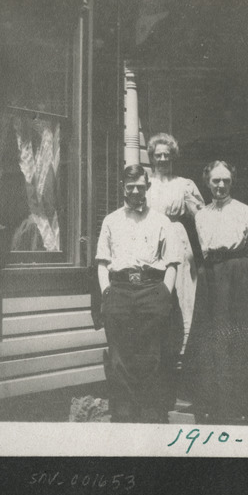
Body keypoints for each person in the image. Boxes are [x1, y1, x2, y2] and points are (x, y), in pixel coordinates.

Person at [95, 162, 191, 422]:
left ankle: (152, 413)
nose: (135, 192)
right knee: (120, 355)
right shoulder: (111, 220)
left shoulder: (161, 221)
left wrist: (163, 294)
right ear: (122, 188)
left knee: (152, 355)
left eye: (140, 187)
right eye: (130, 187)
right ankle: (124, 413)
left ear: (147, 187)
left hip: (152, 290)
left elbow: (172, 262)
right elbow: (102, 261)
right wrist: (106, 292)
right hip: (119, 290)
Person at [183, 159, 248, 423]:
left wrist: (241, 279)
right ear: (208, 182)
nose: (221, 185)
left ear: (232, 181)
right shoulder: (201, 215)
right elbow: (203, 250)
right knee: (211, 338)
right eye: (215, 181)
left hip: (239, 281)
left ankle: (242, 401)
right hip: (211, 278)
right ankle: (214, 400)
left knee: (240, 338)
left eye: (226, 180)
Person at [142, 133, 206, 354]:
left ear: (173, 157)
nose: (162, 159)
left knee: (182, 292)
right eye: (158, 155)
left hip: (177, 239)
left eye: (166, 155)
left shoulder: (184, 185)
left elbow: (202, 218)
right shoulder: (145, 184)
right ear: (151, 157)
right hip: (151, 240)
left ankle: (183, 352)